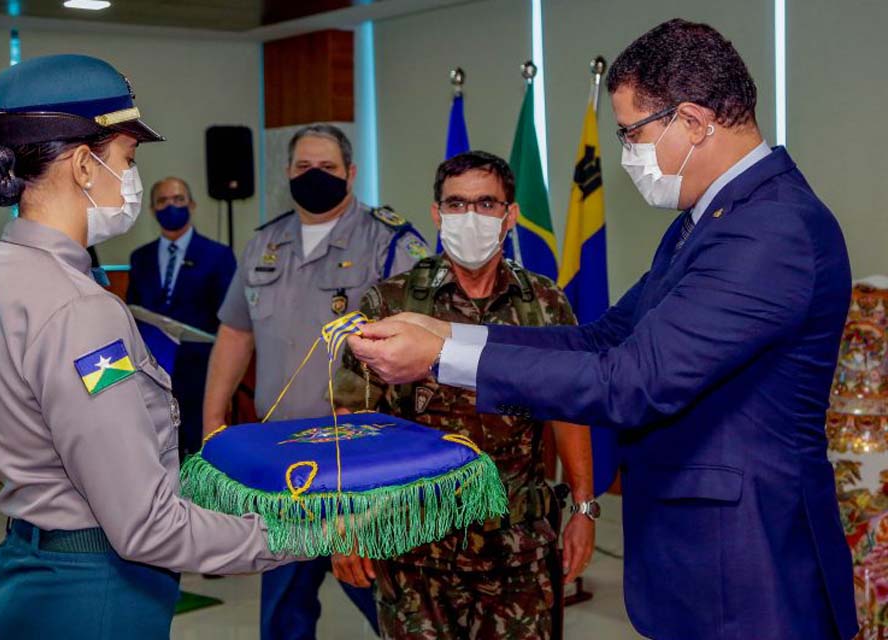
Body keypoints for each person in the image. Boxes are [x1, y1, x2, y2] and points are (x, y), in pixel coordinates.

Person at [348, 19, 858, 640]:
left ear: (693, 122)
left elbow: (632, 381)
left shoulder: (770, 228)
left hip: (749, 564)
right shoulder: (707, 220)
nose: (626, 156)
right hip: (708, 554)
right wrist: (448, 335)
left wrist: (439, 361)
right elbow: (603, 338)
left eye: (632, 133)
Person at [0, 54, 294, 639]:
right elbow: (146, 526)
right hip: (96, 591)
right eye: (128, 159)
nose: (132, 179)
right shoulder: (80, 309)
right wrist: (298, 537)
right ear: (86, 165)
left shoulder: (0, 272)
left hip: (27, 571)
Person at [329, 151, 594, 639]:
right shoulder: (392, 302)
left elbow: (570, 410)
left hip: (518, 550)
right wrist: (348, 518)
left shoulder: (544, 303)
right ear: (436, 213)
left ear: (510, 214)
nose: (470, 216)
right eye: (456, 204)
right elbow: (353, 418)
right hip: (413, 546)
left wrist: (582, 508)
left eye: (486, 203)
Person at [203, 123, 428, 639]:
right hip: (282, 460)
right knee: (283, 608)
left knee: (386, 599)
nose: (314, 176)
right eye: (303, 167)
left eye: (327, 167)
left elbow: (420, 341)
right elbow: (236, 333)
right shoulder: (265, 242)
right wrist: (214, 419)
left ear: (351, 173)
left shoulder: (390, 242)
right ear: (287, 173)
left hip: (360, 459)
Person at [127, 176, 236, 460]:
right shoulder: (140, 257)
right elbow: (132, 311)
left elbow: (231, 319)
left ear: (192, 205)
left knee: (201, 451)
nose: (171, 206)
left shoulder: (218, 255)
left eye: (178, 200)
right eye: (162, 201)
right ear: (152, 210)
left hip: (201, 372)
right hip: (153, 371)